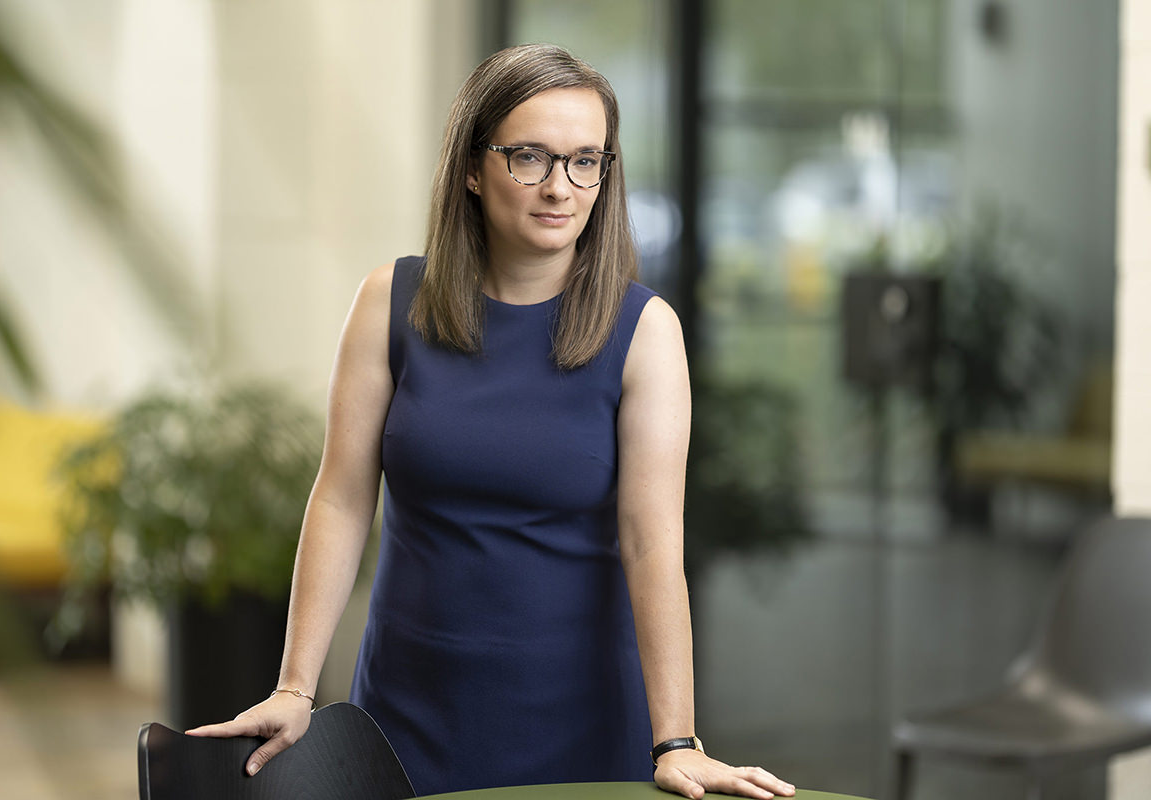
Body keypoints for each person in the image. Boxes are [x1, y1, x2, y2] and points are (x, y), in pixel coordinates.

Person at [186, 43, 795, 800]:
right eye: (530, 157)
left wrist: (675, 740)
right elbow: (342, 498)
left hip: (580, 714)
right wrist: (294, 688)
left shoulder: (644, 331)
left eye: (585, 161)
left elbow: (652, 544)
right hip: (406, 708)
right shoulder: (391, 302)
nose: (559, 187)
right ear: (473, 168)